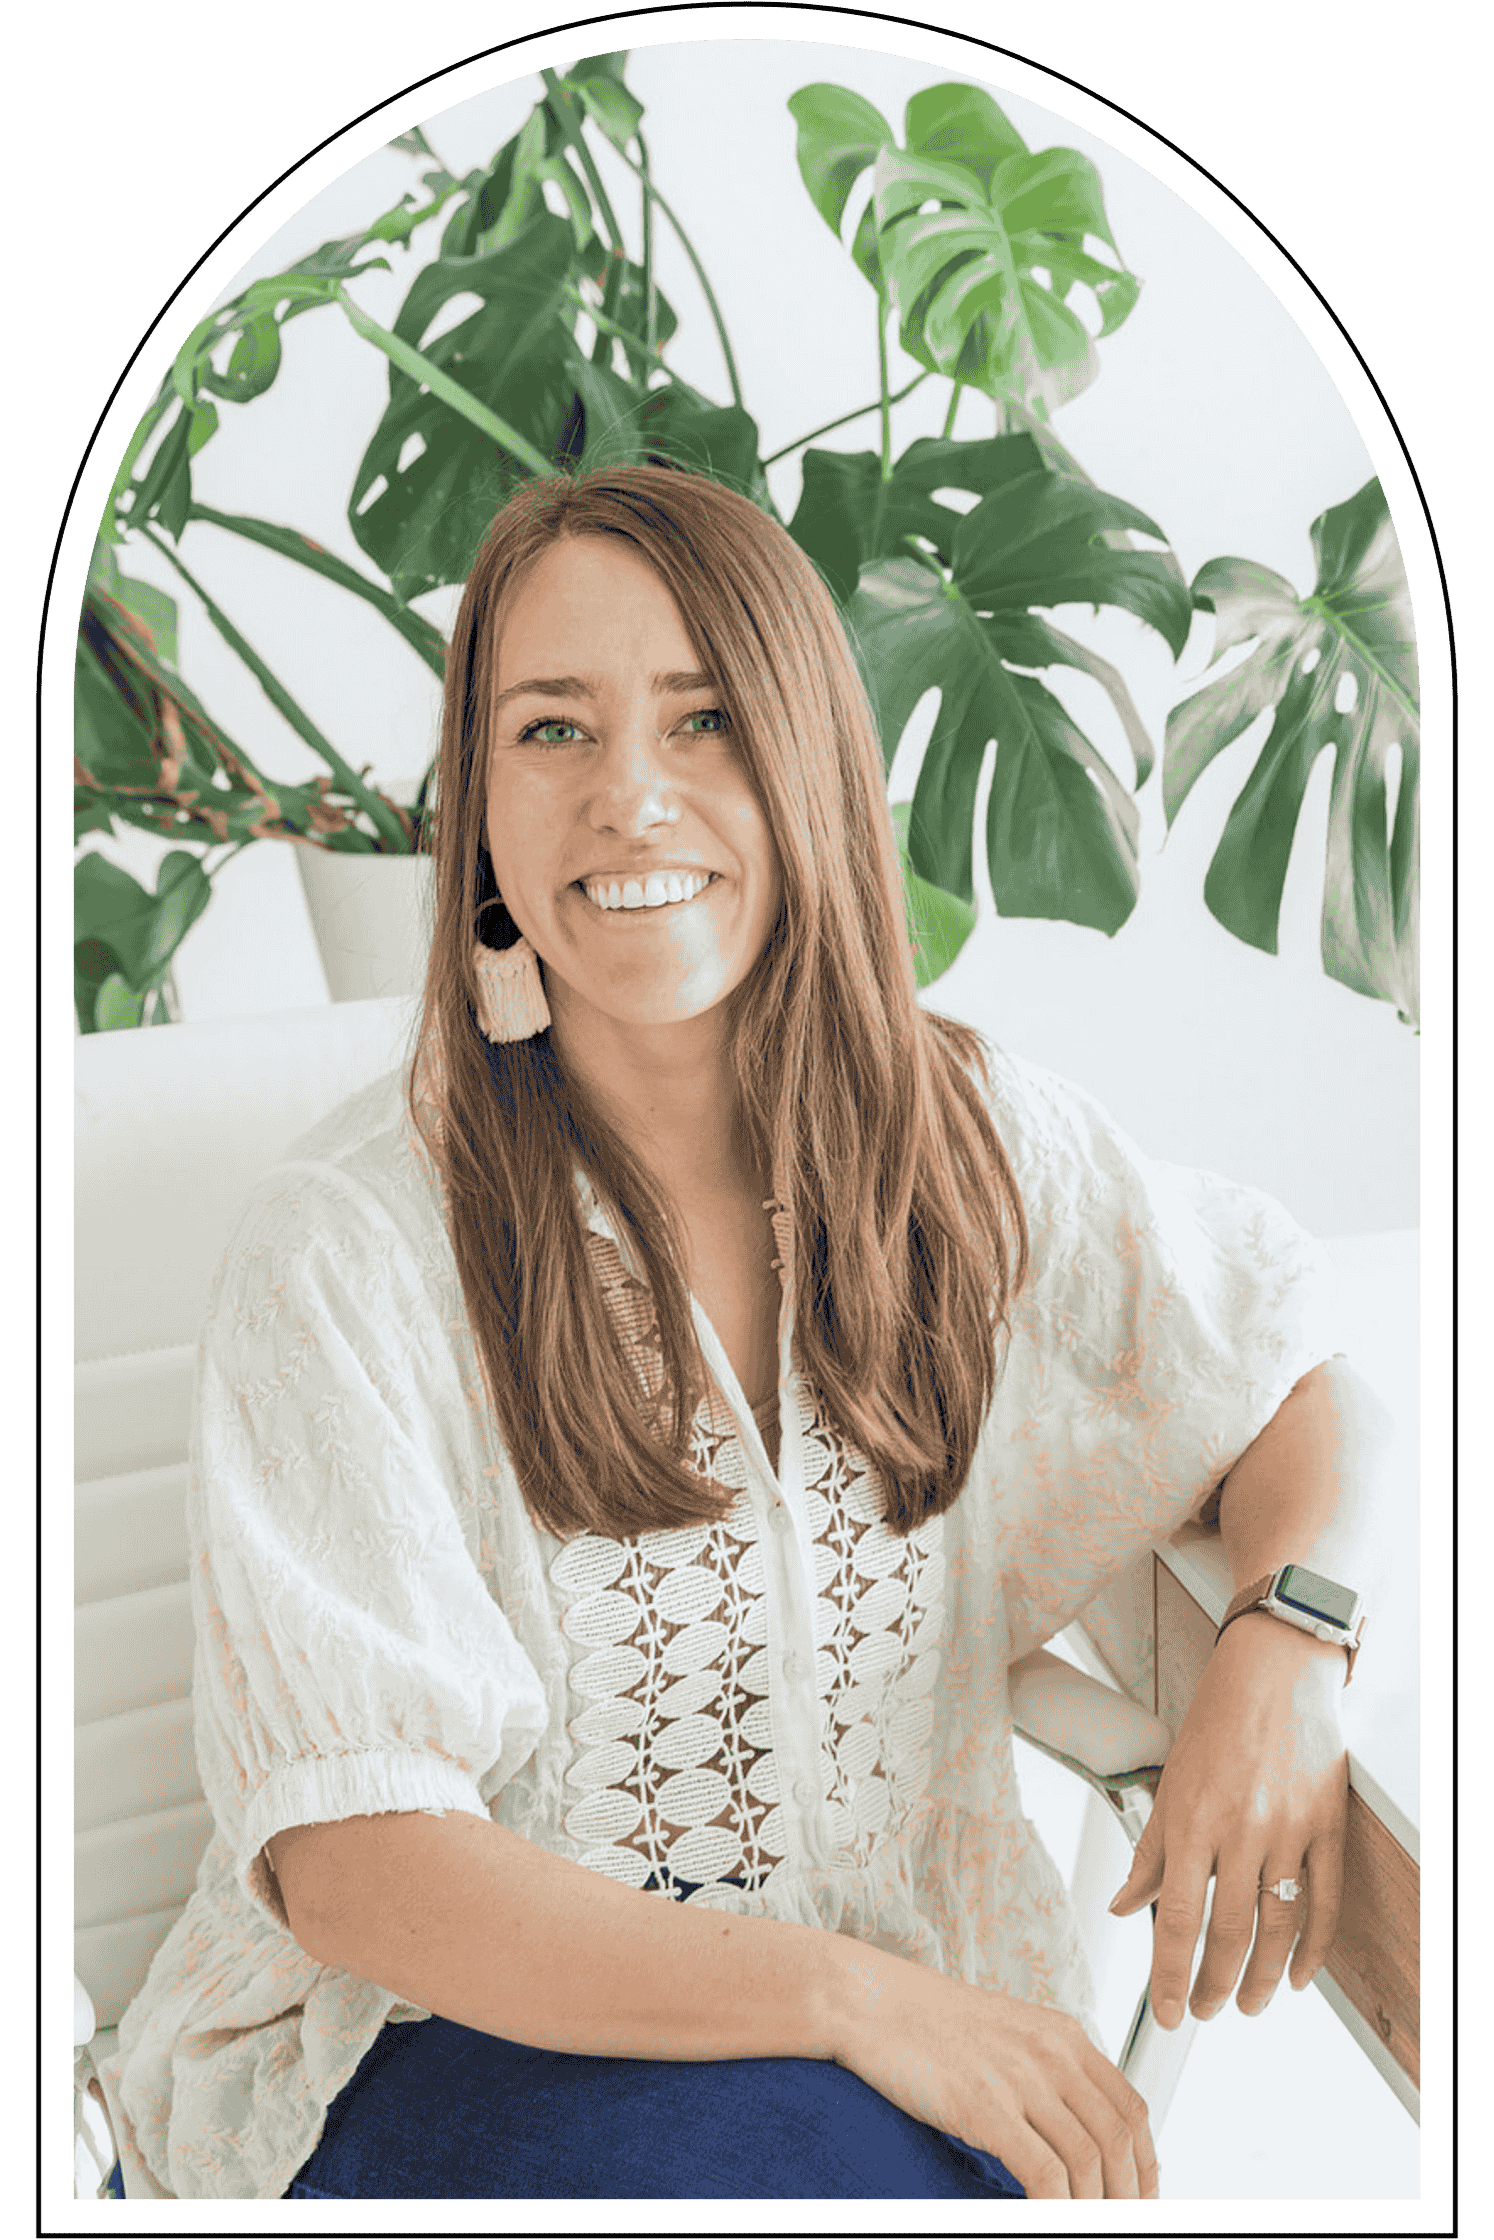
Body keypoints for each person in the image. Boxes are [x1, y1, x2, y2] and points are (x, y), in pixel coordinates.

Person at [97, 459, 1390, 2201]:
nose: (629, 796)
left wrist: (1284, 1644)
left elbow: (1286, 1366)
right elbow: (360, 1870)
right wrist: (848, 2004)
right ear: (475, 806)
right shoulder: (347, 1250)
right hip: (424, 2057)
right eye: (551, 731)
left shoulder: (965, 1141)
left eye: (701, 718)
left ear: (803, 765)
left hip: (896, 2046)